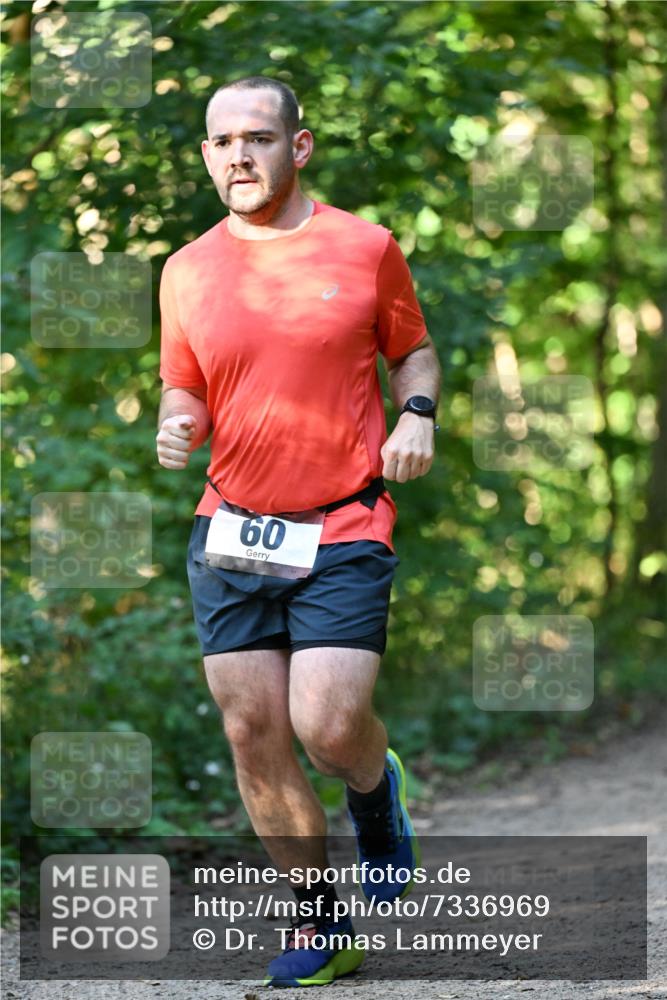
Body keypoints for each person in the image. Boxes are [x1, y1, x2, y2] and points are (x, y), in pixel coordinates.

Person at [156, 75, 441, 988]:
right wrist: (177, 421)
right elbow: (185, 383)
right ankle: (321, 921)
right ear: (206, 155)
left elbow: (412, 350)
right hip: (231, 529)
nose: (239, 155)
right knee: (252, 731)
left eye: (259, 138)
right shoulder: (186, 269)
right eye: (222, 142)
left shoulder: (365, 248)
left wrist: (417, 414)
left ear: (298, 146)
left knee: (326, 725)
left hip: (344, 521)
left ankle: (373, 788)